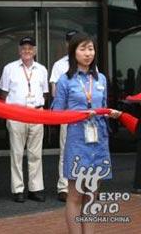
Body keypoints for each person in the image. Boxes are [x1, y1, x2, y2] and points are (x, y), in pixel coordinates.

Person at [52, 33, 122, 234]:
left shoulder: (100, 78)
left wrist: (110, 113)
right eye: (82, 49)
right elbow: (57, 113)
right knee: (75, 196)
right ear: (73, 52)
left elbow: (102, 106)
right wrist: (79, 114)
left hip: (99, 143)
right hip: (77, 142)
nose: (87, 53)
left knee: (92, 195)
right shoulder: (65, 80)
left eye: (90, 48)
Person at [0, 36, 48, 203]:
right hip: (16, 114)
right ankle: (18, 189)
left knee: (36, 154)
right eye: (23, 47)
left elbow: (45, 93)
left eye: (30, 48)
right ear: (19, 50)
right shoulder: (9, 68)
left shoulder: (42, 69)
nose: (27, 50)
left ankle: (35, 189)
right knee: (17, 153)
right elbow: (3, 93)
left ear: (35, 50)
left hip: (36, 113)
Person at [49, 30, 78, 202]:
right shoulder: (60, 65)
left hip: (85, 116)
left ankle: (82, 185)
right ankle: (63, 187)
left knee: (85, 151)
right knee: (65, 151)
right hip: (67, 114)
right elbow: (54, 91)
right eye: (69, 41)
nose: (72, 43)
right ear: (67, 44)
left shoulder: (91, 64)